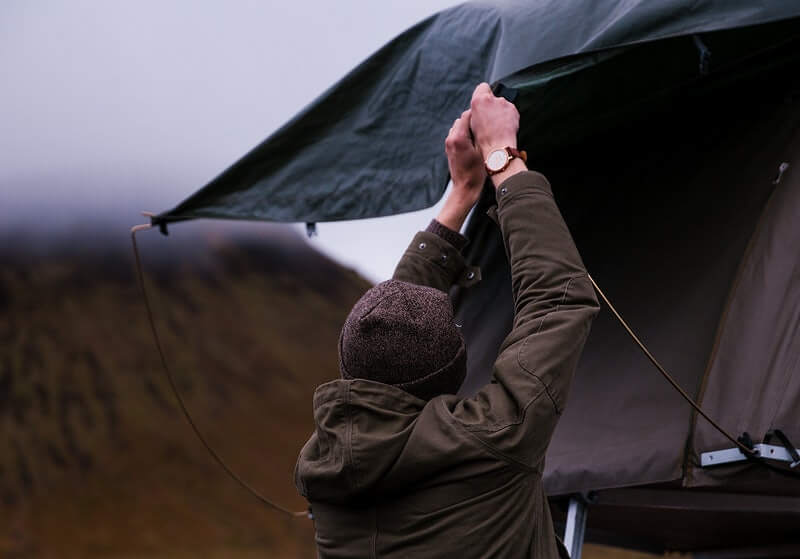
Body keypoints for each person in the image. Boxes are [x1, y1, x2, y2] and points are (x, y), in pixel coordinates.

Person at [295, 83, 599, 558]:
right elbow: (557, 299)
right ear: (450, 374)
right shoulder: (491, 439)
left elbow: (393, 329)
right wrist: (502, 158)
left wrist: (462, 195)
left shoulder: (327, 464)